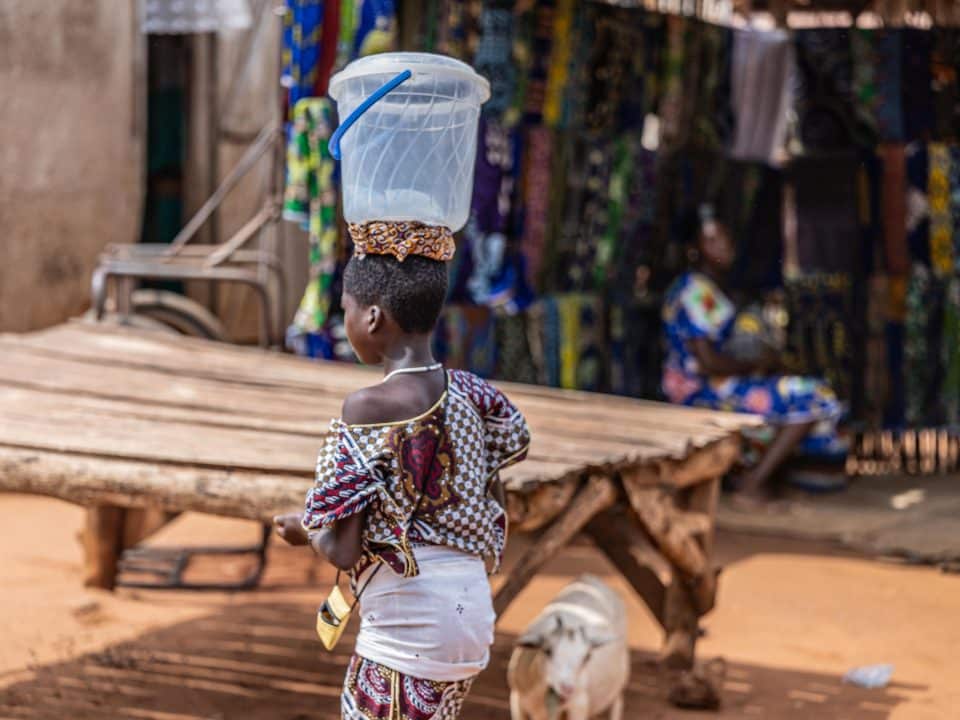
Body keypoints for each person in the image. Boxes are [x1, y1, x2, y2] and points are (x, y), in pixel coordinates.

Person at [274, 231, 531, 719]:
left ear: (372, 318)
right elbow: (496, 479)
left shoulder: (368, 407)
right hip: (470, 615)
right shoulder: (474, 395)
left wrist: (305, 530)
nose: (343, 319)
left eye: (345, 308)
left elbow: (343, 548)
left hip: (411, 624)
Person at [661, 213, 843, 508]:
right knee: (815, 397)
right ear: (695, 249)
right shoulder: (695, 291)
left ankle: (759, 479)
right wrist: (757, 364)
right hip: (701, 389)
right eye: (711, 241)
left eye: (725, 239)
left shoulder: (700, 288)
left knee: (792, 396)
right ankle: (752, 484)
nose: (723, 247)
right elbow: (707, 363)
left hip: (711, 385)